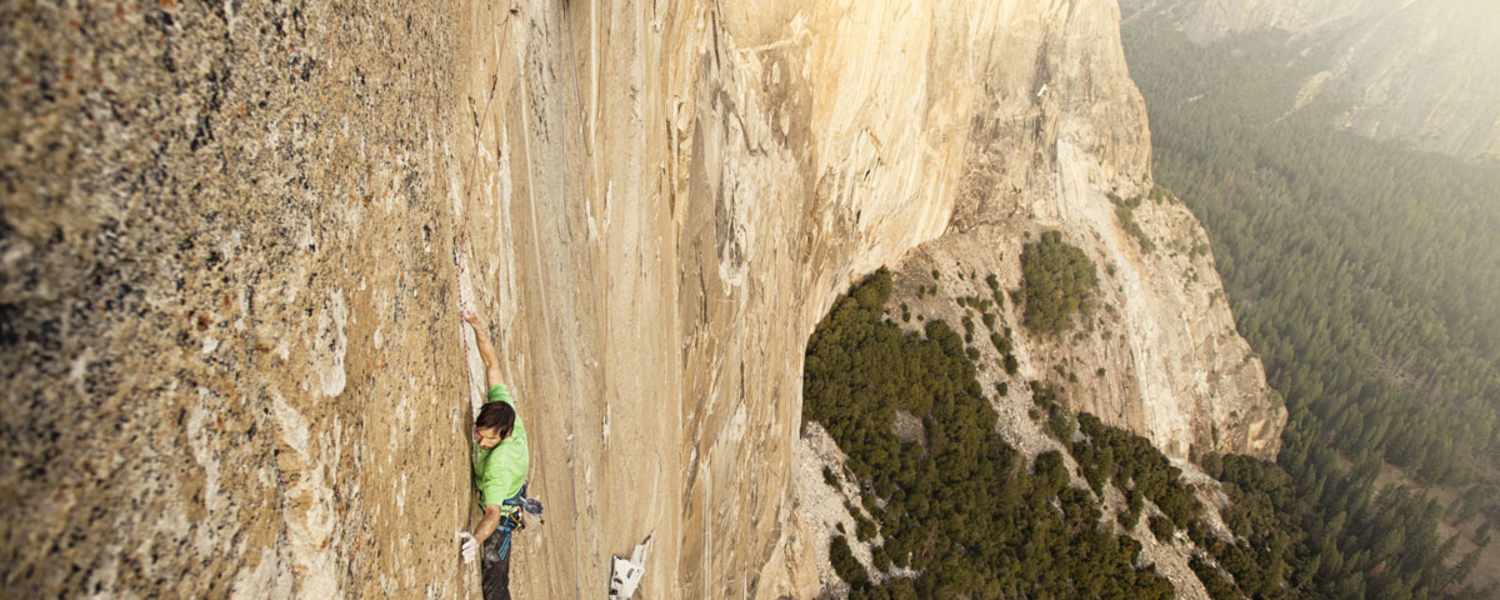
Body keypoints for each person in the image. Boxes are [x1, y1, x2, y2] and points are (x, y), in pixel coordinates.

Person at [457, 309, 530, 600]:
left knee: (495, 585)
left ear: (502, 436)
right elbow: (492, 365)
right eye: (477, 432)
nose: (479, 441)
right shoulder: (504, 410)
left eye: (485, 440)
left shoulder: (498, 466)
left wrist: (475, 541)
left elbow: (492, 513)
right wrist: (477, 328)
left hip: (502, 508)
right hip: (511, 485)